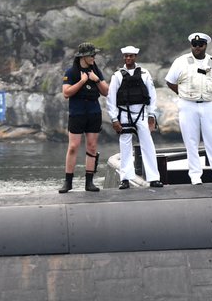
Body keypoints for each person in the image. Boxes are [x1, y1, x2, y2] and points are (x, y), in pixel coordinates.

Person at [166, 33, 212, 185]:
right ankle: (195, 175)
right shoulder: (181, 62)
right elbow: (170, 81)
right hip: (188, 104)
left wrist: (210, 93)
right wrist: (181, 93)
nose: (197, 47)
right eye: (194, 45)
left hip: (208, 104)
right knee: (191, 140)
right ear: (191, 46)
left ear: (205, 46)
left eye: (200, 44)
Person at [107, 46, 163, 189]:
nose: (128, 58)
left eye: (131, 56)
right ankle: (125, 178)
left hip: (142, 113)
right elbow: (111, 98)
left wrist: (152, 114)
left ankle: (154, 178)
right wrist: (114, 119)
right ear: (123, 57)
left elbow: (152, 95)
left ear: (135, 57)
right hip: (124, 113)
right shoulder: (117, 76)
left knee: (148, 144)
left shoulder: (144, 74)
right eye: (126, 56)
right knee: (125, 145)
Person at [60, 42, 109, 193]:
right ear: (83, 56)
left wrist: (96, 80)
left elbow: (106, 91)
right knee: (73, 146)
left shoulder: (96, 71)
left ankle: (89, 182)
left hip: (93, 111)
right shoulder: (71, 72)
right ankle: (68, 182)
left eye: (95, 55)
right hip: (77, 112)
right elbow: (66, 93)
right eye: (91, 55)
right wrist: (81, 81)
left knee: (92, 147)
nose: (94, 57)